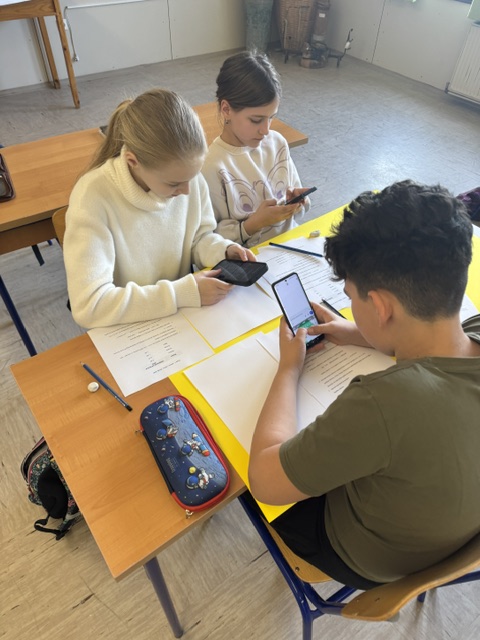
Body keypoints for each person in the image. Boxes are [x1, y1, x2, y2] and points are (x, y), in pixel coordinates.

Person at [248, 180, 480, 590]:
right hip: (452, 534)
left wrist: (289, 369)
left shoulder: (383, 402)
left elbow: (265, 482)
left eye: (352, 297)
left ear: (381, 306)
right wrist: (360, 332)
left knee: (239, 476)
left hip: (366, 557)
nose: (350, 306)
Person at [63, 88, 255, 329]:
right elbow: (90, 305)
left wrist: (222, 251)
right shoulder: (92, 197)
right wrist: (180, 294)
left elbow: (198, 238)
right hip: (128, 327)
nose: (187, 191)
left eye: (192, 177)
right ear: (133, 161)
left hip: (180, 315)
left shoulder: (185, 176)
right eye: (174, 184)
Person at [201, 51, 314, 248]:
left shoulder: (277, 143)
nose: (266, 130)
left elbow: (299, 210)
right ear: (226, 109)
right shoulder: (211, 166)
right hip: (249, 259)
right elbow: (207, 242)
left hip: (290, 247)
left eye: (271, 117)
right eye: (256, 120)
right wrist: (253, 224)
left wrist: (297, 203)